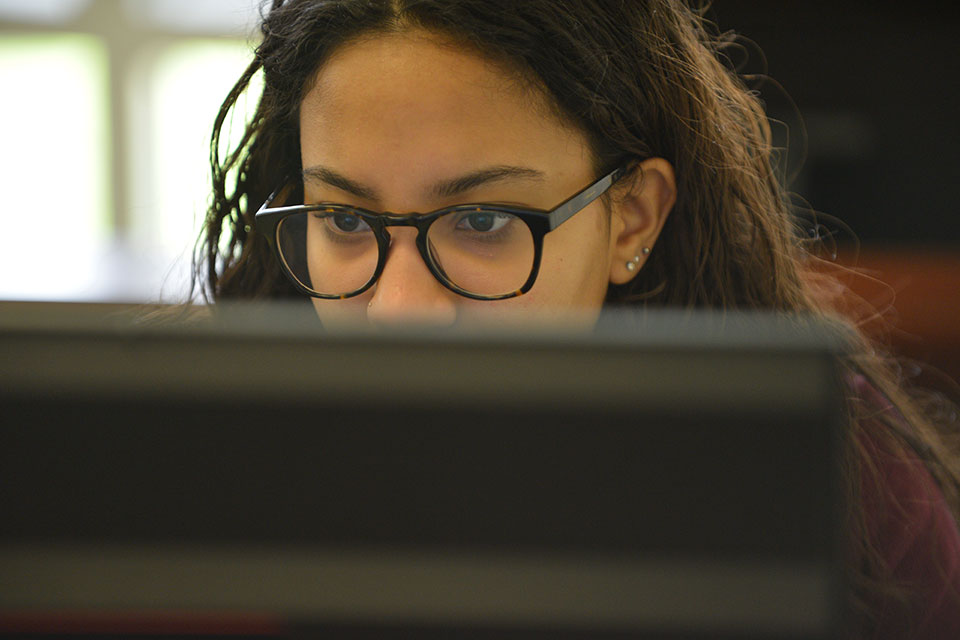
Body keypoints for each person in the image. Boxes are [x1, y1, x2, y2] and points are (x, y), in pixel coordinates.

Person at [195, 0, 960, 635]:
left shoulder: (848, 495)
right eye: (346, 222)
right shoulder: (215, 468)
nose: (398, 311)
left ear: (631, 219)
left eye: (485, 223)